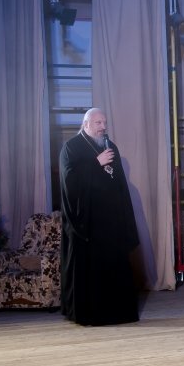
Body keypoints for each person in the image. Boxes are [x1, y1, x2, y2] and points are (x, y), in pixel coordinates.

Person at [59, 108, 140, 326]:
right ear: (86, 124)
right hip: (88, 223)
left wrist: (123, 216)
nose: (103, 127)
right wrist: (96, 163)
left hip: (111, 222)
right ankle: (92, 314)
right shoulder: (71, 147)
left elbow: (119, 183)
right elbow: (69, 182)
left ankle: (119, 313)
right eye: (98, 123)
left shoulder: (109, 146)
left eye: (104, 122)